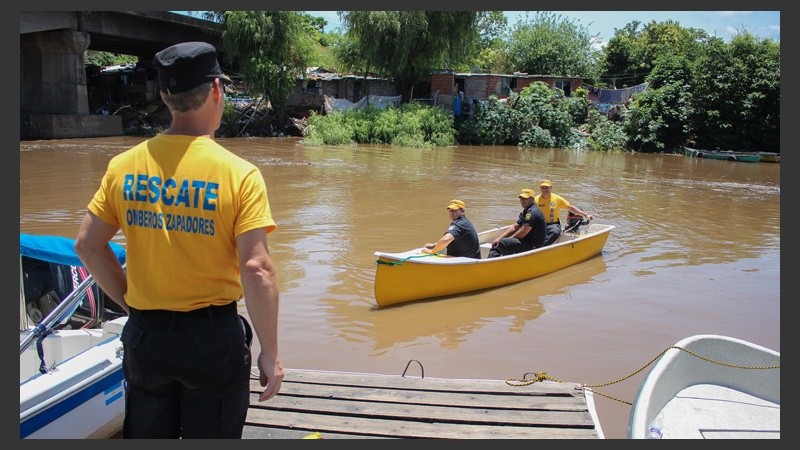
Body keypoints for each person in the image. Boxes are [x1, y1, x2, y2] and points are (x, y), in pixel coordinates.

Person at [73, 41, 283, 439]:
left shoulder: (123, 166)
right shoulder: (239, 174)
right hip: (211, 341)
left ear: (165, 96)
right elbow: (257, 268)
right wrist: (270, 355)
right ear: (217, 90)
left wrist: (131, 302)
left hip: (146, 337)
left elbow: (86, 245)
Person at [487, 189, 546, 258]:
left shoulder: (532, 213)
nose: (522, 201)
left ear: (532, 199)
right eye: (521, 199)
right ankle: (489, 261)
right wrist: (499, 238)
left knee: (503, 243)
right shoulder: (526, 210)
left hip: (534, 245)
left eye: (525, 199)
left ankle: (507, 262)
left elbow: (523, 233)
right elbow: (515, 226)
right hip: (526, 241)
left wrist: (509, 239)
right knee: (498, 242)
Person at [535, 179, 593, 246]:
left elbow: (570, 208)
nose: (545, 189)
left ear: (551, 188)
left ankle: (541, 247)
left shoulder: (557, 199)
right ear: (540, 189)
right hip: (540, 224)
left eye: (547, 187)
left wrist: (585, 215)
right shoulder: (535, 200)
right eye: (543, 187)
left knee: (555, 232)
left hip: (553, 224)